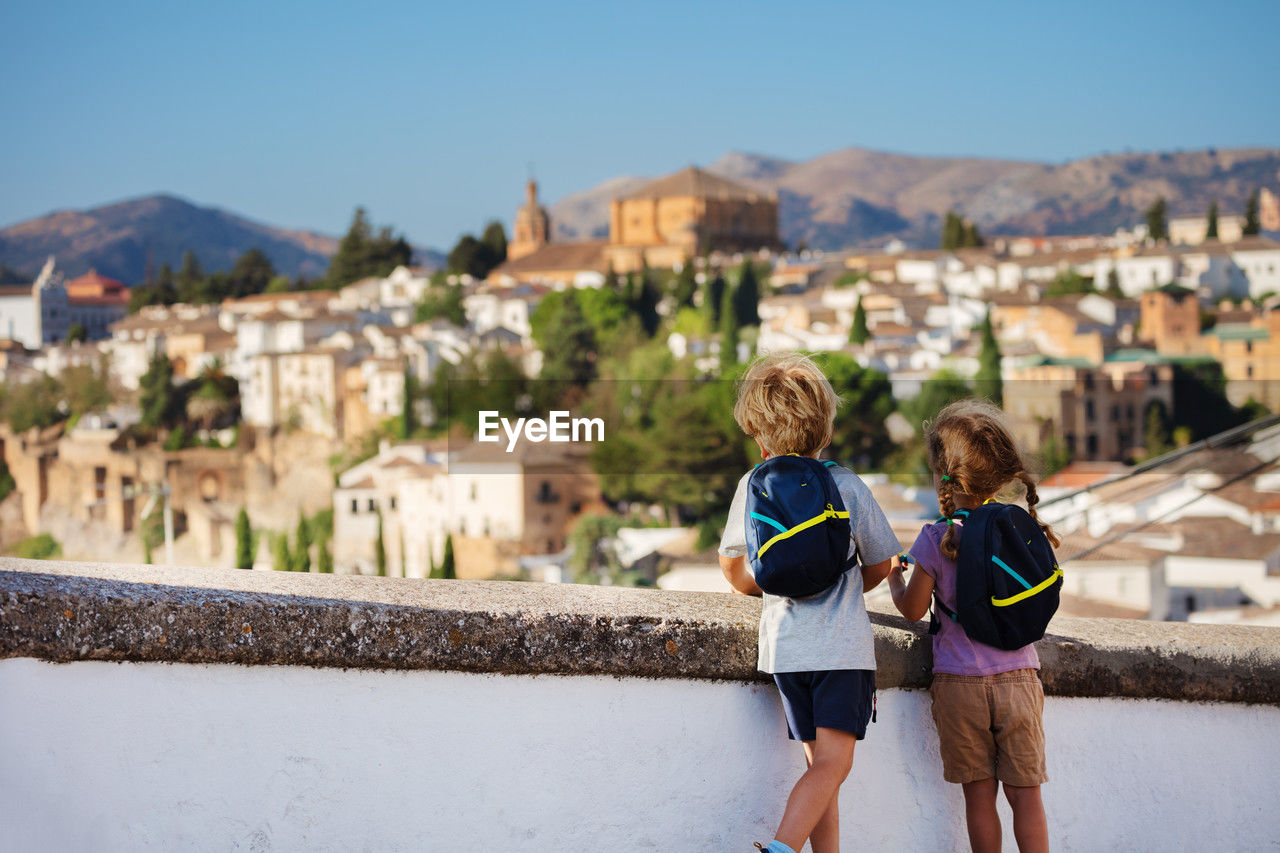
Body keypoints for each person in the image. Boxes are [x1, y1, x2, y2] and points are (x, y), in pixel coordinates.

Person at [717, 353, 898, 853]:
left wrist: (775, 583)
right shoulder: (846, 485)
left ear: (761, 437)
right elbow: (882, 566)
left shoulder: (753, 487)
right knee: (835, 766)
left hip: (785, 651)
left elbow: (734, 570)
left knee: (820, 769)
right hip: (840, 650)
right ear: (826, 431)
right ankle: (780, 849)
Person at [887, 398, 1056, 853]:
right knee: (1027, 798)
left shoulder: (934, 538)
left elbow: (911, 609)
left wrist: (895, 578)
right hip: (1020, 679)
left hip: (960, 683)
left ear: (943, 474)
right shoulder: (1019, 529)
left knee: (979, 799)